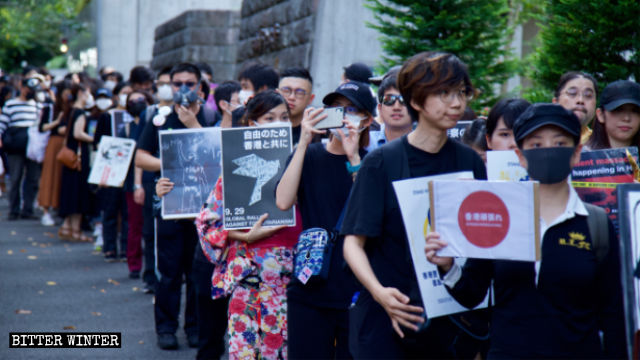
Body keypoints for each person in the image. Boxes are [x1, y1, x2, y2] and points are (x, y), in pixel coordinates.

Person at [425, 103, 626, 358]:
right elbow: (471, 293)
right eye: (536, 145)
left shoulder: (595, 224)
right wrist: (447, 266)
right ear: (520, 156)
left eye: (560, 143)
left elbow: (613, 314)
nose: (549, 151)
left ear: (576, 153)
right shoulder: (499, 218)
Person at [341, 51, 486, 358]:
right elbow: (352, 243)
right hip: (387, 317)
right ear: (417, 101)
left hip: (448, 321)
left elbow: (479, 246)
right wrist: (381, 294)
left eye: (461, 92)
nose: (457, 103)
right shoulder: (382, 161)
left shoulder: (470, 161)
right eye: (444, 93)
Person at [188, 90, 301, 359]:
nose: (278, 123)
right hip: (249, 277)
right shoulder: (233, 167)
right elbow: (206, 223)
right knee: (246, 351)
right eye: (269, 118)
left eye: (284, 118)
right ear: (253, 124)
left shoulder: (301, 158)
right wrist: (246, 236)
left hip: (293, 277)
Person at [276, 81, 375, 358]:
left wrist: (353, 154)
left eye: (351, 110)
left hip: (355, 288)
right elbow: (283, 201)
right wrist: (304, 142)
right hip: (309, 286)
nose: (342, 116)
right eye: (335, 108)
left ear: (366, 119)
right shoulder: (309, 156)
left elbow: (365, 211)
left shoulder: (372, 162)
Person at [136, 62, 204, 350]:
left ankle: (195, 329)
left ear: (200, 85)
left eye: (190, 82)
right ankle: (165, 328)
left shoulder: (212, 116)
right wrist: (171, 163)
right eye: (178, 83)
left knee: (199, 274)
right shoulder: (158, 118)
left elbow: (217, 153)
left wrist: (193, 126)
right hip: (169, 207)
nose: (184, 88)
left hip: (203, 211)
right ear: (170, 86)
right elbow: (140, 157)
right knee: (168, 273)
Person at [0, 74, 44, 220]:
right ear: (22, 88)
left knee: (32, 178)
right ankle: (14, 209)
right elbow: (2, 123)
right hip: (15, 146)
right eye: (29, 88)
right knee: (15, 177)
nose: (31, 91)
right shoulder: (11, 104)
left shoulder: (38, 105)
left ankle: (28, 209)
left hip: (33, 146)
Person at [120, 90, 153, 278]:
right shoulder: (126, 129)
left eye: (140, 99)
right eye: (131, 101)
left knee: (150, 228)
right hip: (133, 181)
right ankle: (134, 264)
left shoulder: (155, 123)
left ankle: (150, 267)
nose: (136, 103)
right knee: (134, 224)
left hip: (153, 179)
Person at [57, 83, 94, 242]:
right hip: (78, 158)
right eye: (87, 93)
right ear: (81, 93)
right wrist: (95, 139)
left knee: (70, 192)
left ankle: (67, 227)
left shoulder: (70, 110)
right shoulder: (80, 112)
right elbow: (78, 133)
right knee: (78, 194)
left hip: (70, 156)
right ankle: (76, 230)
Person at [38, 80, 72, 226]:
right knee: (50, 177)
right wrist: (57, 122)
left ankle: (61, 211)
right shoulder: (51, 107)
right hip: (54, 143)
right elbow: (42, 127)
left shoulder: (72, 107)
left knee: (64, 179)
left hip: (68, 143)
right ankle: (46, 211)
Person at [586, 80, 640, 150]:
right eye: (618, 110)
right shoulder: (580, 157)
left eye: (635, 111)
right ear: (600, 115)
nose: (626, 118)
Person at [367, 74, 412, 151]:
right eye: (389, 100)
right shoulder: (366, 143)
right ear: (379, 108)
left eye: (404, 100)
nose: (396, 107)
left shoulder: (427, 144)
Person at [552, 71, 598, 144]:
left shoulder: (602, 143)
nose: (580, 100)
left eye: (588, 95)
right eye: (572, 93)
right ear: (555, 102)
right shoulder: (539, 140)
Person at [278, 67, 315, 145]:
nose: (292, 97)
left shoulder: (317, 132)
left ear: (310, 99)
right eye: (286, 91)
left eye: (299, 92)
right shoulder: (263, 125)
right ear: (276, 93)